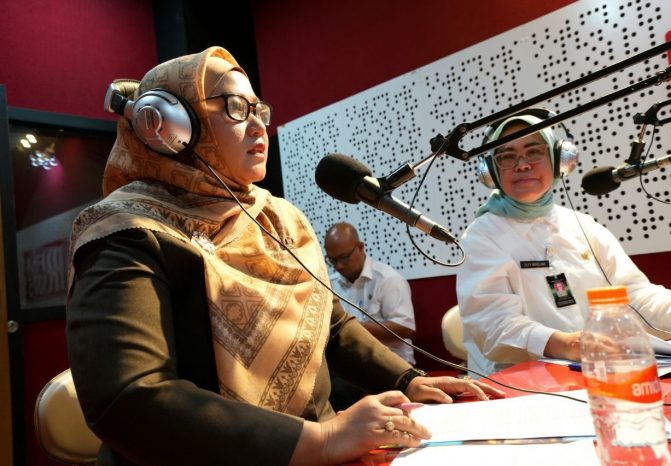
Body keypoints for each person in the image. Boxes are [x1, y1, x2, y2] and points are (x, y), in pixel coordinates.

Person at [65, 46, 504, 466]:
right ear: (169, 125)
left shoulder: (276, 218)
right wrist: (323, 439)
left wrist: (408, 380)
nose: (258, 125)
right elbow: (129, 398)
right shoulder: (125, 233)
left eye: (259, 109)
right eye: (235, 107)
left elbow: (330, 325)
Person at [456, 111, 671, 377]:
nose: (522, 165)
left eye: (534, 152)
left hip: (598, 370)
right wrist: (566, 344)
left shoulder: (584, 225)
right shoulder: (482, 235)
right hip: (519, 381)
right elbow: (493, 326)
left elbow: (636, 296)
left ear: (559, 160)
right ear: (491, 171)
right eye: (507, 156)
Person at [324, 223, 417, 364]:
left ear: (360, 247)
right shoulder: (329, 284)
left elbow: (405, 329)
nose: (338, 266)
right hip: (348, 364)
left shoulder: (388, 279)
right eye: (332, 260)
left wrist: (350, 328)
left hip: (391, 363)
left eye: (343, 258)